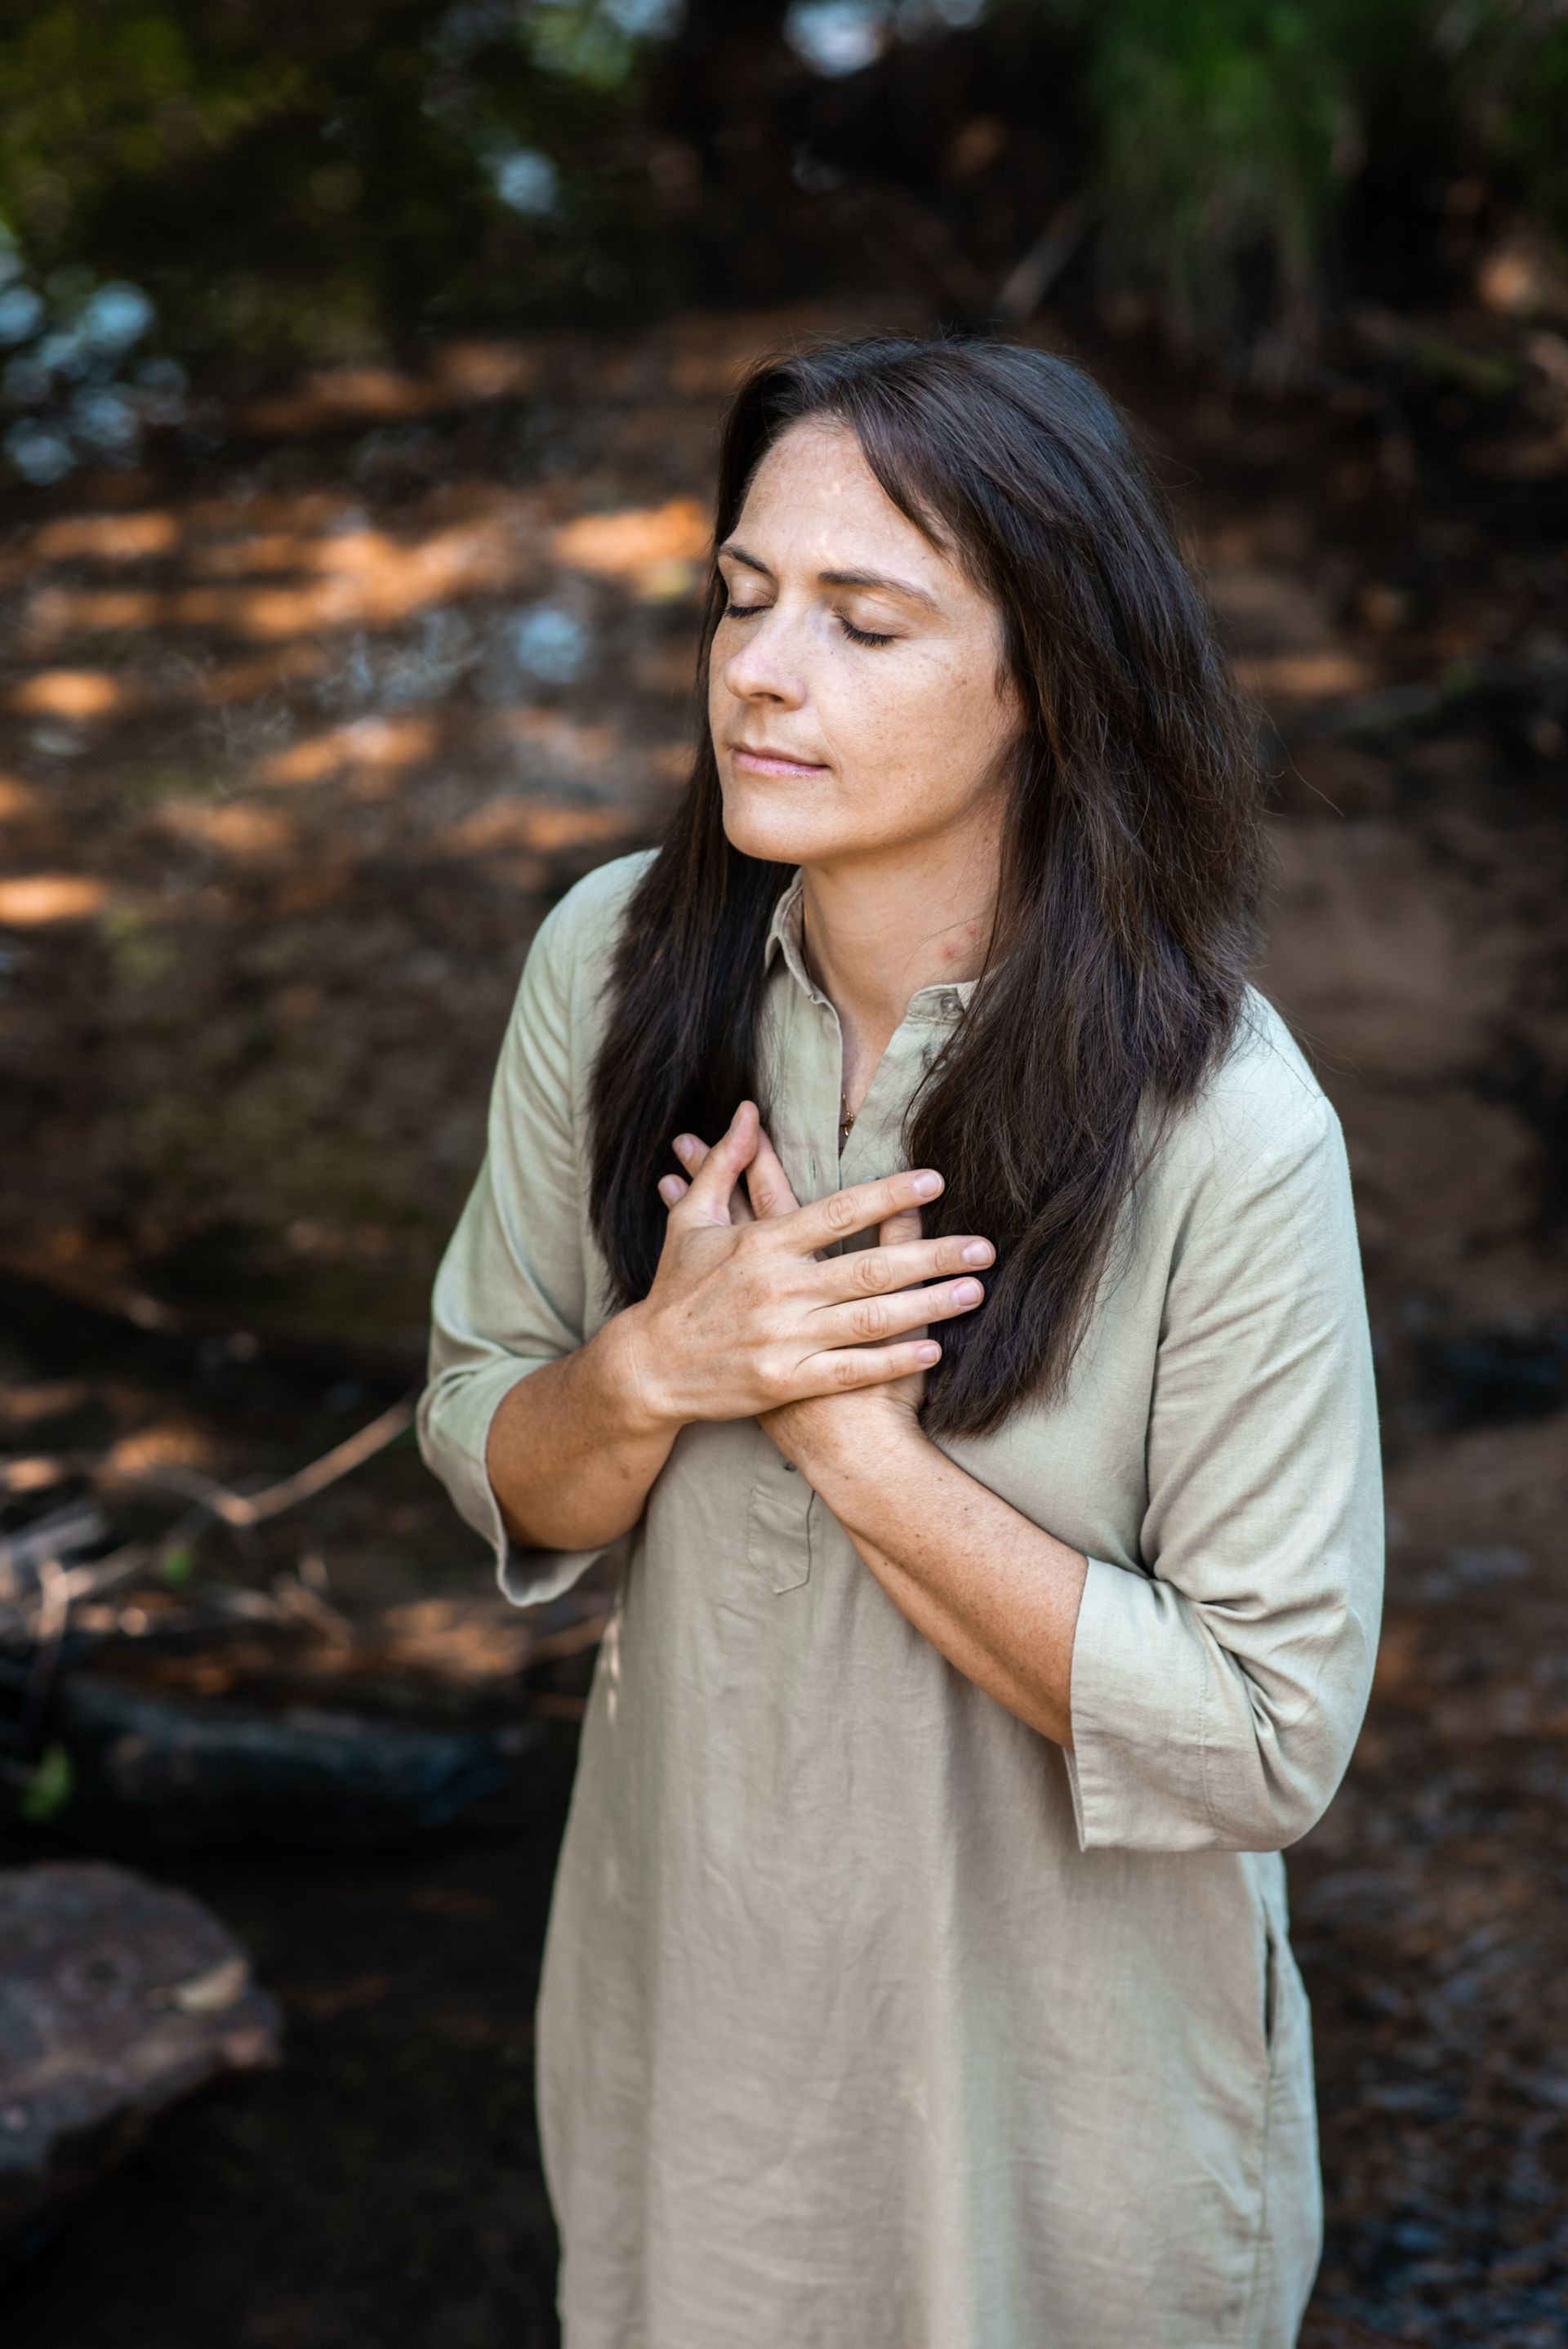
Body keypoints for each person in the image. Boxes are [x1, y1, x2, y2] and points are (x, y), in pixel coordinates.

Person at [416, 332, 1383, 2349]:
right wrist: (661, 1369)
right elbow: (490, 1438)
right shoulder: (608, 966)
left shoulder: (1225, 1125)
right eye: (744, 598)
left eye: (867, 622)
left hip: (1065, 2119)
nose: (763, 671)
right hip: (703, 2045)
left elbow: (1273, 1735)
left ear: (1049, 678)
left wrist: (861, 1457)